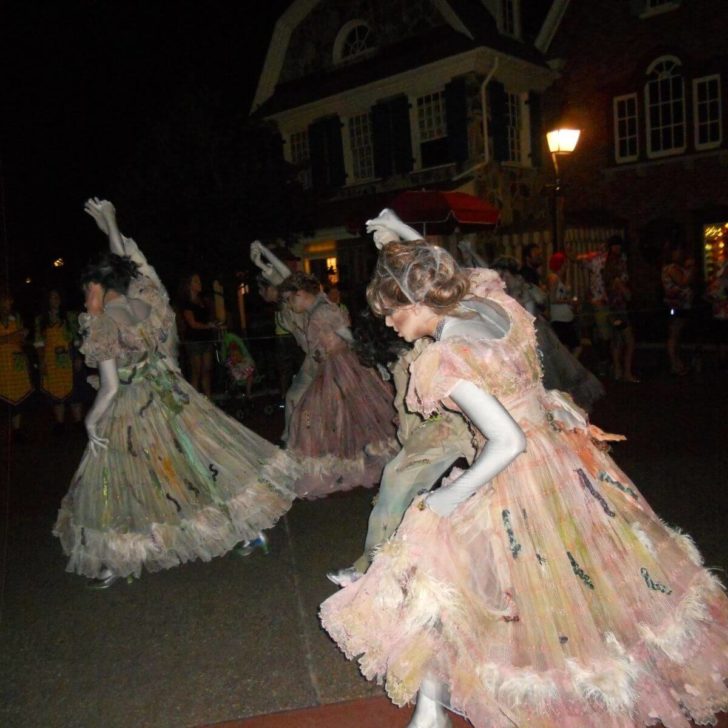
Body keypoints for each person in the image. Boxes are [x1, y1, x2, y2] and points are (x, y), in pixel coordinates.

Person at [321, 235, 728, 728]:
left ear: (417, 300)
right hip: (562, 458)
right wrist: (401, 236)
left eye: (392, 312)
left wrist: (451, 493)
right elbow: (445, 271)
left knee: (445, 572)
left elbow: (507, 441)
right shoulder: (489, 305)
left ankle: (451, 711)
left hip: (518, 475)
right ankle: (430, 711)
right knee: (468, 580)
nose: (389, 323)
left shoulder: (447, 355)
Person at [53, 199, 298, 588]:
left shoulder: (101, 323)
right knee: (197, 461)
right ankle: (245, 528)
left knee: (118, 477)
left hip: (132, 405)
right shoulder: (145, 302)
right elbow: (132, 265)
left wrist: (90, 420)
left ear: (97, 287)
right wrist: (111, 223)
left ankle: (116, 558)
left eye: (88, 290)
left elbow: (111, 385)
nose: (86, 298)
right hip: (169, 394)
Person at [278, 271, 397, 498]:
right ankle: (346, 462)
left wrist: (372, 360)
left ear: (301, 294)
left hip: (342, 366)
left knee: (342, 413)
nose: (288, 305)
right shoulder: (314, 311)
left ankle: (355, 461)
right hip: (329, 367)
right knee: (336, 415)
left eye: (290, 299)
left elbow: (347, 335)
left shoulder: (323, 311)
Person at [492, 256, 603, 412]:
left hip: (536, 338)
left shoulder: (523, 289)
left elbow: (531, 318)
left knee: (550, 380)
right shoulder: (506, 290)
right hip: (523, 339)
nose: (500, 278)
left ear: (507, 273)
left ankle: (561, 412)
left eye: (502, 274)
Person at [251, 241, 309, 442]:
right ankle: (296, 440)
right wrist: (260, 262)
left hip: (324, 354)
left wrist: (265, 252)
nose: (261, 294)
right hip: (314, 355)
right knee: (296, 398)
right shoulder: (283, 309)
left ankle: (297, 441)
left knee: (300, 398)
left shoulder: (292, 299)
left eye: (261, 289)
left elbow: (284, 274)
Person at [34, 289, 84, 433]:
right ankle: (60, 424)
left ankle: (78, 422)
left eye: (57, 297)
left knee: (75, 392)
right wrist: (42, 361)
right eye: (52, 297)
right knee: (56, 392)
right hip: (52, 360)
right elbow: (39, 343)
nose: (55, 300)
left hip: (69, 357)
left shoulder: (70, 316)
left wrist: (78, 357)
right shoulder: (41, 320)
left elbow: (77, 339)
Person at [178, 273, 222, 398]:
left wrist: (214, 323)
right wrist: (209, 326)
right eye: (196, 281)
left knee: (207, 370)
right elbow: (192, 324)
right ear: (189, 285)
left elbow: (207, 318)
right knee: (196, 372)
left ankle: (208, 400)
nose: (199, 283)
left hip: (206, 338)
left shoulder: (203, 301)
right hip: (194, 341)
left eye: (199, 281)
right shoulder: (186, 303)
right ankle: (195, 402)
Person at [603, 237, 639, 382]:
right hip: (619, 309)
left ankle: (618, 371)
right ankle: (626, 372)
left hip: (613, 308)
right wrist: (628, 293)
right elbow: (625, 292)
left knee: (617, 340)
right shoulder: (614, 268)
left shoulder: (607, 265)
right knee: (629, 341)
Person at [0, 288, 33, 441]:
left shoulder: (16, 317)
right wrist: (14, 335)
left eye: (10, 300)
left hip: (16, 360)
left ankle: (17, 430)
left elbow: (21, 341)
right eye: (6, 300)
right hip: (2, 361)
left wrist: (23, 337)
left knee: (18, 392)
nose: (9, 303)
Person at [661, 242, 696, 376]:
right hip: (675, 304)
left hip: (681, 304)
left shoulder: (674, 267)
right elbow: (683, 282)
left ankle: (677, 361)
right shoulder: (671, 268)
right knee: (674, 334)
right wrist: (691, 268)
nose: (680, 254)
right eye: (677, 251)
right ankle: (674, 364)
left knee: (677, 333)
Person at [546, 251, 581, 358]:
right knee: (574, 347)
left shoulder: (559, 278)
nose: (567, 265)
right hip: (560, 319)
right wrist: (568, 301)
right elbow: (552, 299)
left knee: (568, 348)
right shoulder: (554, 278)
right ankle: (570, 371)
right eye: (565, 263)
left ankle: (569, 371)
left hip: (565, 318)